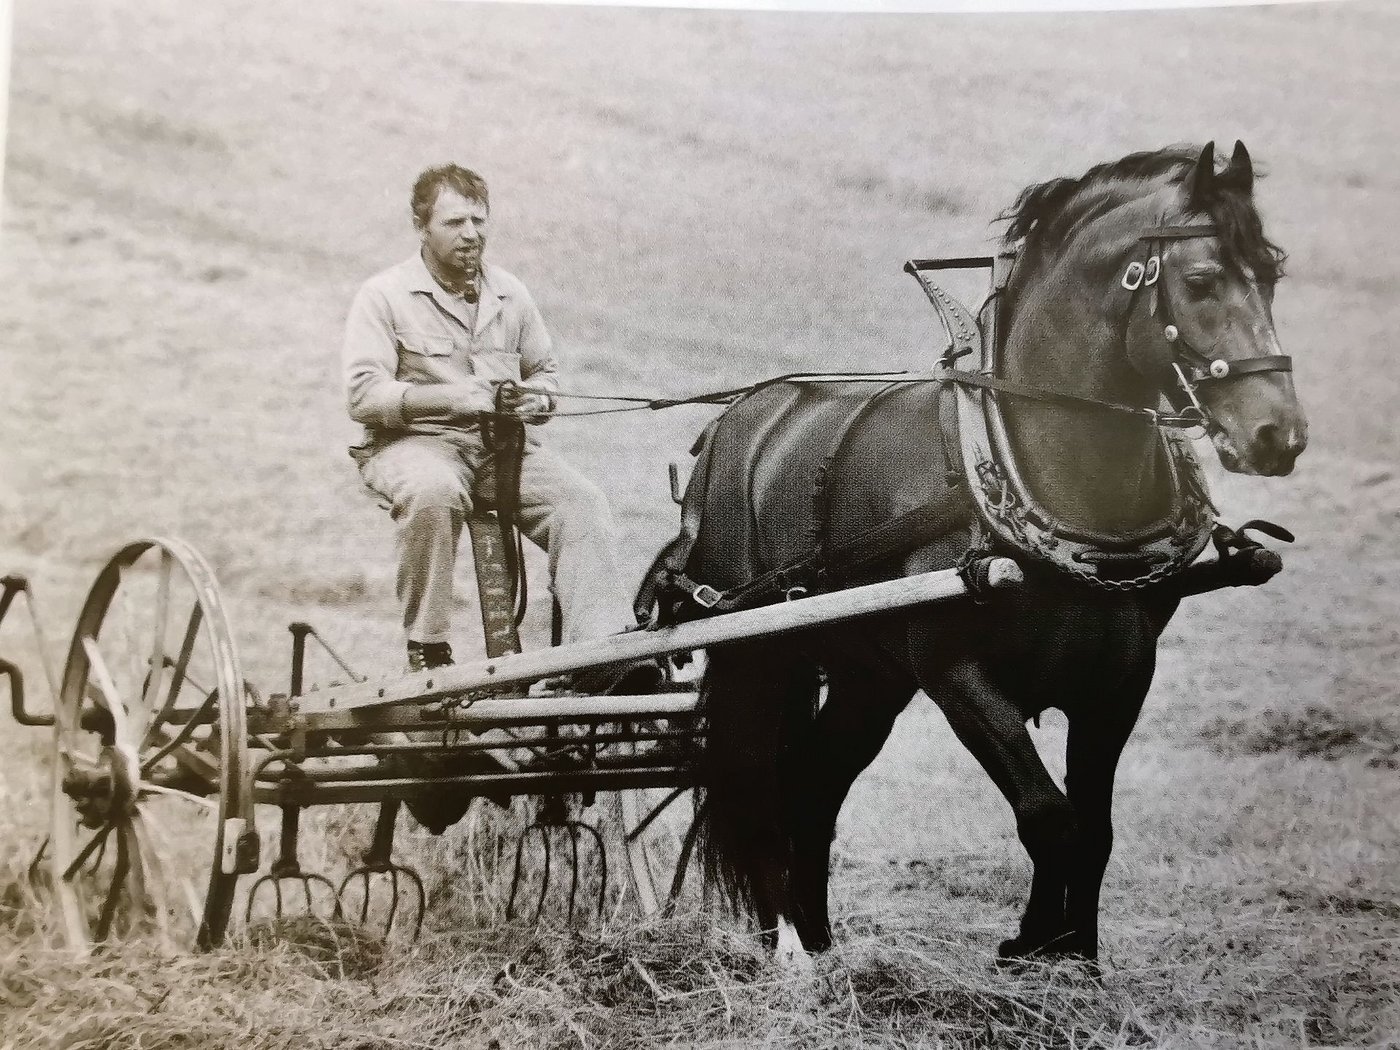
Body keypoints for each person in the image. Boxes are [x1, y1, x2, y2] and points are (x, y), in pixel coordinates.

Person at [342, 164, 660, 693]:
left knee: (581, 502)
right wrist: (449, 396)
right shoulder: (384, 296)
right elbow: (362, 395)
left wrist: (539, 400)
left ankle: (602, 655)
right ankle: (429, 653)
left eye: (479, 220)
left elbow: (545, 373)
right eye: (454, 222)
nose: (471, 233)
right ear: (421, 227)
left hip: (501, 452)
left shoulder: (510, 294)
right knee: (434, 491)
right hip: (414, 447)